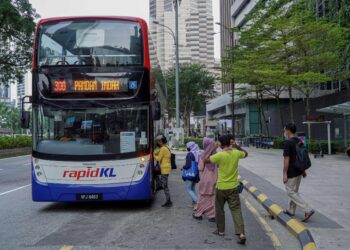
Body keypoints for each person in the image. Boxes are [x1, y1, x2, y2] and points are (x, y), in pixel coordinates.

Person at [205, 135, 248, 245]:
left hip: (221, 187)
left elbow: (206, 160)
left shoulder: (219, 155)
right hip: (233, 187)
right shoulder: (236, 153)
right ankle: (241, 233)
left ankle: (221, 231)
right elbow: (246, 154)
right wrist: (237, 146)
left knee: (220, 210)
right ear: (230, 143)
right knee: (236, 210)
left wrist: (214, 148)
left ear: (221, 144)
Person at [283, 123, 315, 222]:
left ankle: (307, 209)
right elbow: (301, 157)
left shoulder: (288, 143)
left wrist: (284, 173)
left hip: (292, 171)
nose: (284, 132)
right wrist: (303, 170)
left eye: (284, 130)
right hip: (298, 171)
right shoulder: (299, 141)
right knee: (294, 191)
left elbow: (286, 159)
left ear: (288, 130)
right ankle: (291, 210)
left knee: (290, 192)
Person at [193, 138, 218, 222]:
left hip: (205, 179)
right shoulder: (216, 155)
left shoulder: (203, 155)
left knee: (203, 197)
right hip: (215, 178)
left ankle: (198, 214)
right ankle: (212, 215)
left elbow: (200, 168)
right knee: (212, 198)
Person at [154, 135, 172, 207]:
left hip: (165, 169)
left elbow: (158, 158)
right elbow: (157, 151)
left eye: (158, 141)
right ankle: (168, 200)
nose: (157, 142)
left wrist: (153, 155)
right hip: (167, 168)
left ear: (161, 141)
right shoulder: (165, 147)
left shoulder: (163, 149)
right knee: (164, 184)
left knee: (165, 186)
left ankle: (168, 201)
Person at [182, 141, 200, 209]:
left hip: (190, 174)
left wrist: (183, 167)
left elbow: (188, 165)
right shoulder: (197, 153)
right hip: (196, 174)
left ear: (190, 147)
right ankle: (194, 204)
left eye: (188, 147)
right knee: (192, 188)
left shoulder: (190, 154)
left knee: (188, 189)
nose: (187, 148)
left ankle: (198, 203)